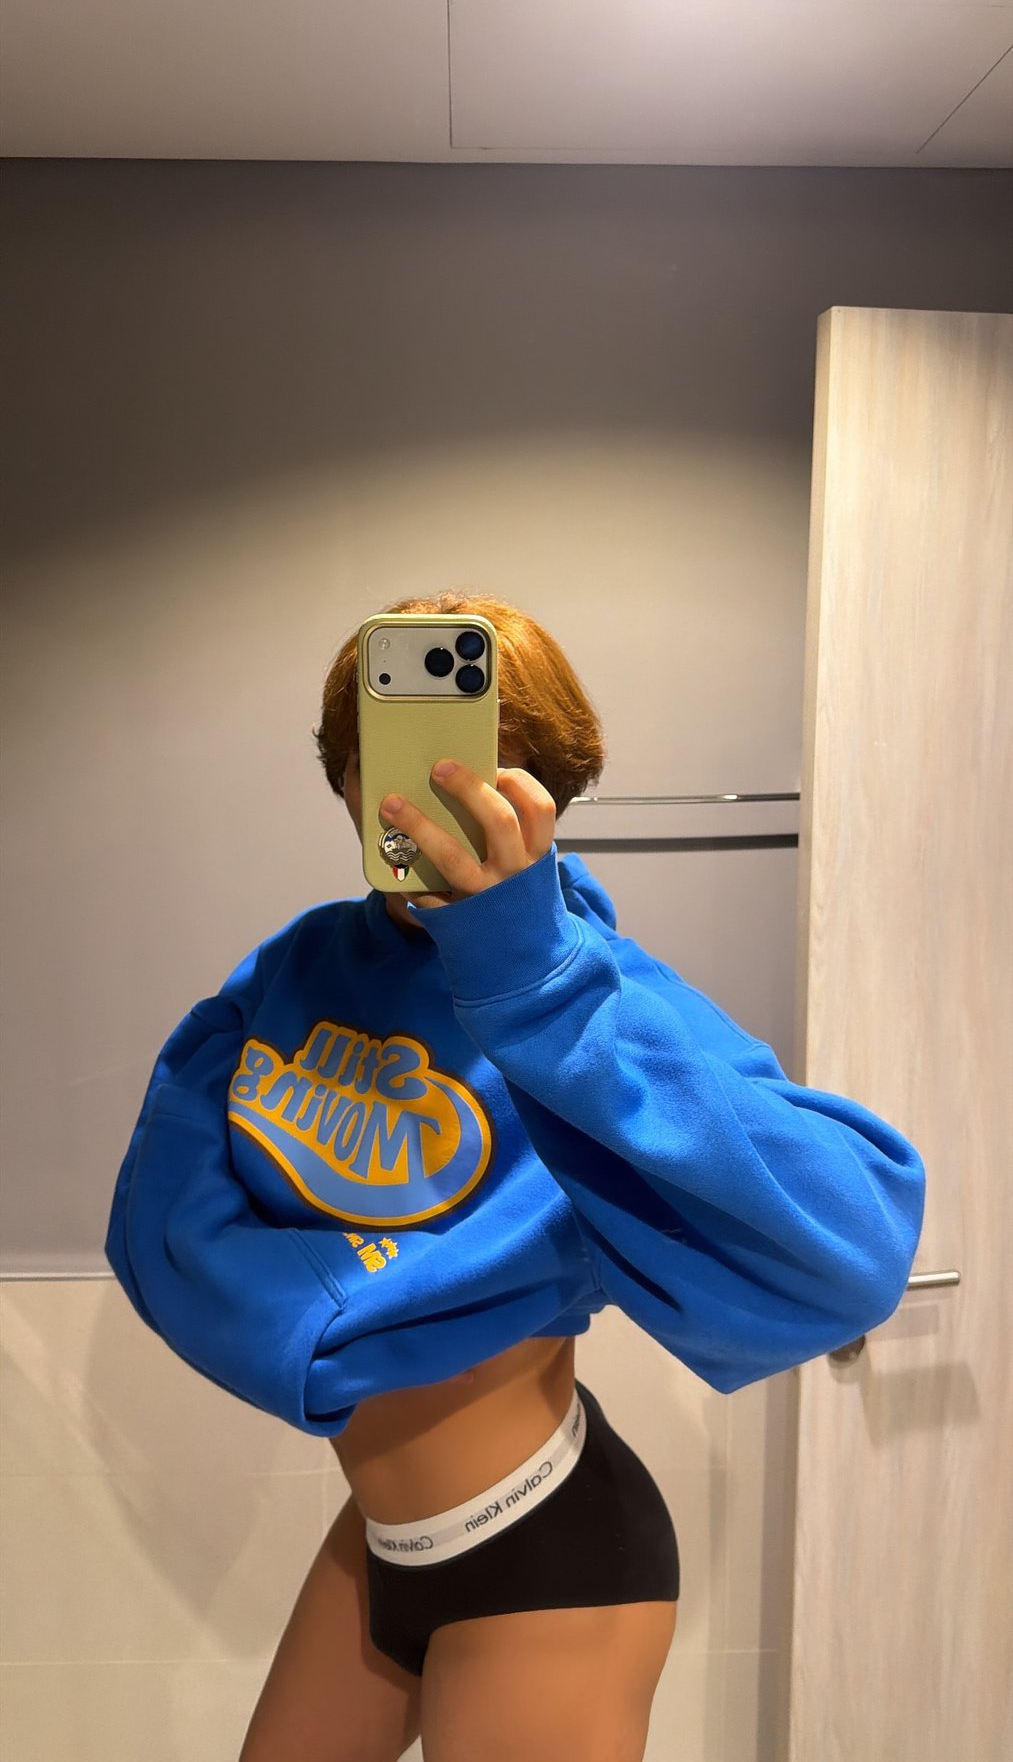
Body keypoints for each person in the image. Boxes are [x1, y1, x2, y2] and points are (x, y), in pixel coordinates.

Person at [105, 591, 925, 1762]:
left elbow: (853, 1250)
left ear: (546, 786)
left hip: (546, 1546)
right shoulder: (296, 966)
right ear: (345, 775)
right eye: (387, 753)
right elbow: (157, 1225)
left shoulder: (589, 995)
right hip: (378, 1545)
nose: (428, 793)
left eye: (483, 762)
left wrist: (529, 975)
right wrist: (358, 1320)